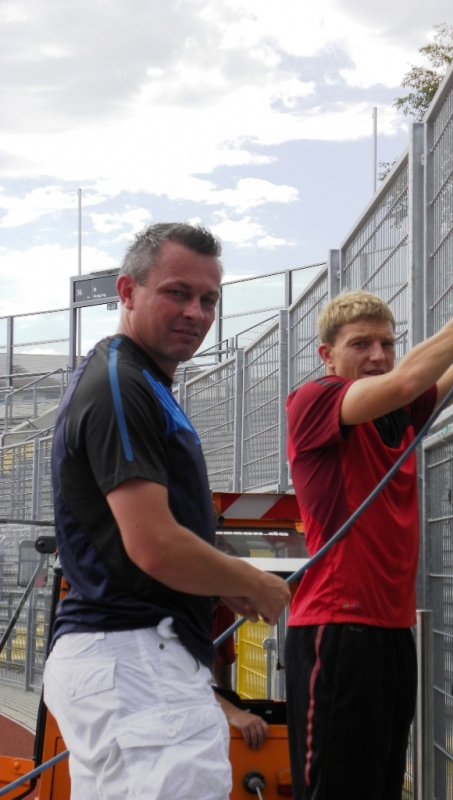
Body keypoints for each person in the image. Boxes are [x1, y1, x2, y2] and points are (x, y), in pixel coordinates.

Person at [43, 223, 290, 800]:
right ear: (127, 291)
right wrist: (252, 581)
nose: (195, 313)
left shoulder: (142, 383)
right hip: (134, 659)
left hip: (129, 661)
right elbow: (154, 544)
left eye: (208, 299)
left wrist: (217, 583)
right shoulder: (120, 384)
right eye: (177, 293)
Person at [284, 256, 453, 800]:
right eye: (361, 344)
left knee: (380, 786)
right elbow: (410, 378)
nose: (378, 355)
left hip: (391, 630)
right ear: (327, 355)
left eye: (387, 343)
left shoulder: (400, 411)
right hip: (337, 627)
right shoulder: (315, 400)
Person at [211, 600, 269, 751]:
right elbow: (178, 680)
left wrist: (231, 703)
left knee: (230, 698)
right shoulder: (173, 612)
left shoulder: (223, 607)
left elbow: (222, 658)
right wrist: (232, 713)